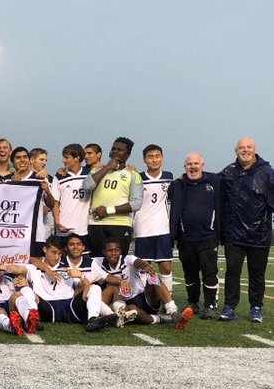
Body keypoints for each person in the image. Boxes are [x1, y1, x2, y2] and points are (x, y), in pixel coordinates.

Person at [219, 137, 274, 323]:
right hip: (233, 234)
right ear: (236, 151)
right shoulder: (228, 172)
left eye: (248, 147)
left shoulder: (267, 173)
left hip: (260, 235)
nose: (245, 150)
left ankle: (256, 307)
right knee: (232, 271)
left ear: (255, 150)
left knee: (257, 273)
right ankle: (229, 307)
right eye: (241, 147)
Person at [169, 153, 222, 318]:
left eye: (196, 163)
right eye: (189, 164)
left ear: (203, 165)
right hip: (186, 238)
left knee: (209, 272)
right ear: (185, 167)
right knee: (189, 272)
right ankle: (193, 302)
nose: (193, 166)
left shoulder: (214, 182)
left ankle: (211, 305)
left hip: (208, 237)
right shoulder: (177, 185)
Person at [89, 238, 180, 328]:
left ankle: (173, 311)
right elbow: (83, 262)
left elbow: (137, 261)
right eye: (109, 250)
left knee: (154, 277)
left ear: (120, 251)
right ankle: (158, 319)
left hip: (143, 298)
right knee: (132, 312)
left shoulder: (127, 259)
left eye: (116, 250)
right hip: (127, 304)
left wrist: (144, 265)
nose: (113, 253)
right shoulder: (97, 262)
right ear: (103, 252)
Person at [83, 136, 143, 257]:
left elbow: (137, 203)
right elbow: (87, 186)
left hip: (120, 224)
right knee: (97, 263)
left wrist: (108, 211)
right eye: (113, 148)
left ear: (128, 154)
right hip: (96, 224)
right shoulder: (96, 171)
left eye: (119, 150)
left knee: (119, 263)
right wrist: (107, 167)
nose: (115, 151)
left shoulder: (133, 175)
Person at [132, 144, 174, 294]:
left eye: (157, 156)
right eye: (150, 157)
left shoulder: (169, 177)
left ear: (162, 157)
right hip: (143, 228)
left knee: (166, 266)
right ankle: (141, 298)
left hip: (162, 228)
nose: (154, 160)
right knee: (144, 266)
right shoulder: (138, 178)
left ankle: (168, 297)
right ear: (144, 159)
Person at [50, 144, 91, 246]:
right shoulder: (59, 176)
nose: (64, 161)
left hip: (84, 228)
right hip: (64, 228)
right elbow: (55, 202)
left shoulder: (90, 174)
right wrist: (57, 221)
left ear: (77, 158)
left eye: (67, 157)